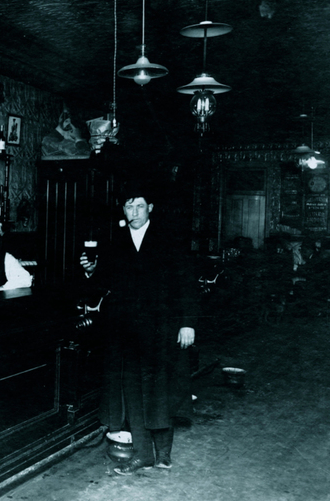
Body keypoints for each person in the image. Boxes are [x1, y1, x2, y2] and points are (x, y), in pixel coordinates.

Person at [80, 186, 197, 475]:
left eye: (140, 207)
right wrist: (90, 271)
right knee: (133, 393)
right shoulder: (115, 241)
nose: (134, 213)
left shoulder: (169, 239)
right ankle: (143, 455)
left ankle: (164, 454)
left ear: (150, 208)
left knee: (161, 390)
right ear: (123, 210)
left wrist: (188, 322)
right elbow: (104, 282)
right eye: (129, 207)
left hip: (161, 329)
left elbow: (187, 283)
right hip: (125, 332)